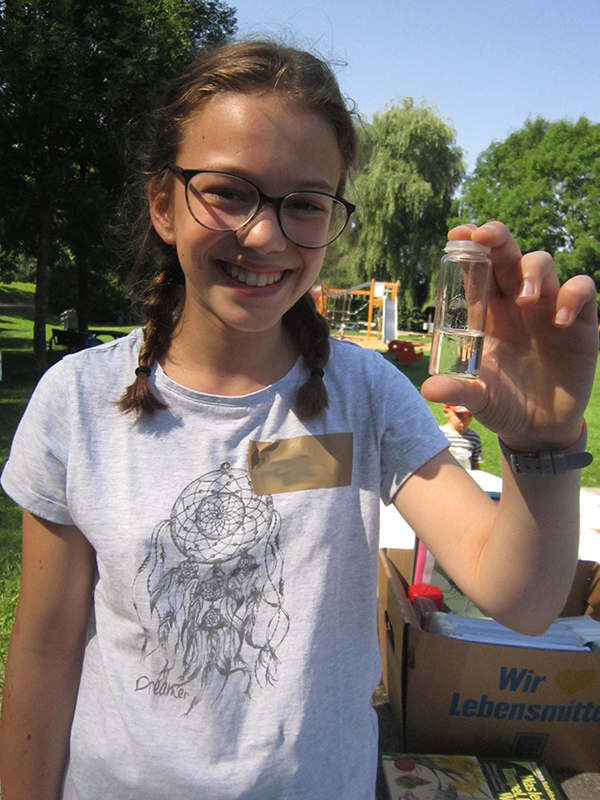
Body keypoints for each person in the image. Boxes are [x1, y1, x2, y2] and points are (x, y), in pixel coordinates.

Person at [0, 39, 598, 800]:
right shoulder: (76, 402)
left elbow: (519, 595)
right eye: (228, 191)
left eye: (305, 204)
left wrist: (543, 439)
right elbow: (47, 650)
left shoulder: (366, 397)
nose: (265, 235)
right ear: (162, 202)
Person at [440, 403, 483, 470]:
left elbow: (475, 464)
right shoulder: (439, 435)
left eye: (469, 415)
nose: (465, 421)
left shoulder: (474, 438)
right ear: (446, 412)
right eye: (459, 416)